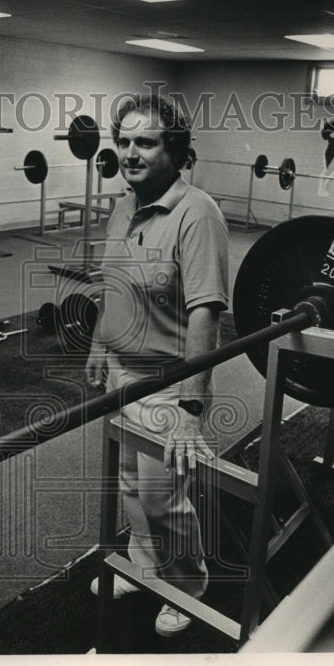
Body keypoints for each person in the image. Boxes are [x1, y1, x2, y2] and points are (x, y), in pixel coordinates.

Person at [85, 93, 230, 637]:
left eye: (144, 142)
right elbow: (114, 283)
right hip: (122, 375)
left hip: (169, 387)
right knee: (127, 485)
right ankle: (143, 568)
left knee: (161, 497)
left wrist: (192, 406)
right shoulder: (124, 205)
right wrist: (101, 344)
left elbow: (206, 315)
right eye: (123, 141)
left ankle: (188, 587)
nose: (129, 152)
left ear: (175, 148)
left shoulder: (198, 215)